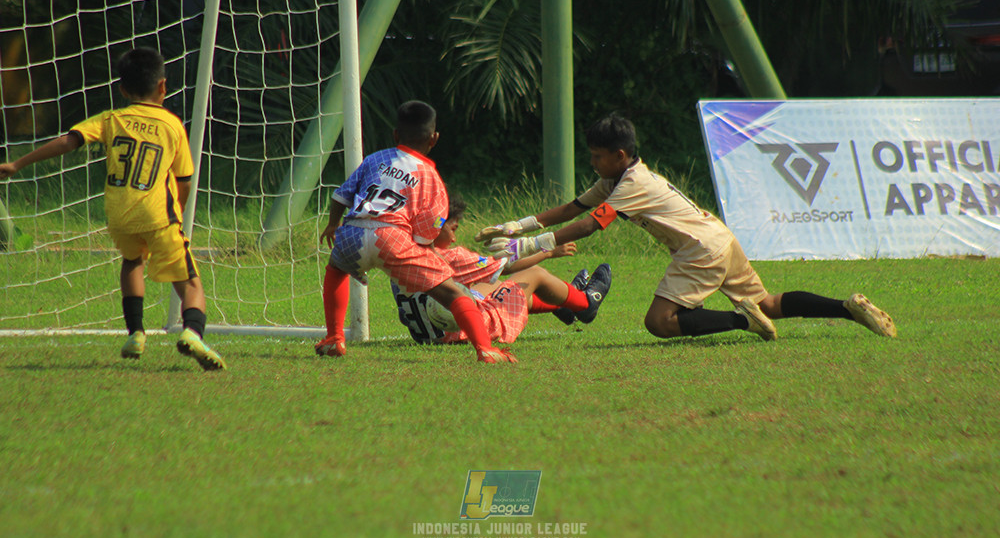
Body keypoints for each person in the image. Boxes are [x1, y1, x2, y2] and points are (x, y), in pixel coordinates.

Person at [475, 114, 896, 342]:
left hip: (700, 249)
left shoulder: (632, 185)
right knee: (767, 302)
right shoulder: (618, 177)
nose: (593, 162)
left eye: (597, 156)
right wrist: (515, 226)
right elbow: (572, 207)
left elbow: (589, 225)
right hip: (718, 236)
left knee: (659, 322)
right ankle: (847, 308)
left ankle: (741, 323)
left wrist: (527, 245)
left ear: (619, 155)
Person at [0, 47, 226, 370]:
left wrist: (18, 163)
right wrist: (179, 210)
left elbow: (69, 140)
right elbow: (185, 180)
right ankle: (193, 333)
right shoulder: (172, 124)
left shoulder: (111, 119)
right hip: (159, 214)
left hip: (119, 214)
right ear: (163, 87)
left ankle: (136, 333)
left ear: (122, 90)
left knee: (132, 260)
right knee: (190, 282)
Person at [315, 100, 516, 364]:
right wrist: (419, 248)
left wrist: (333, 224)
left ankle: (334, 338)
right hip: (392, 236)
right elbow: (430, 228)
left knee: (336, 270)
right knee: (452, 292)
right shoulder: (430, 177)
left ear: (396, 135)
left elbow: (342, 194)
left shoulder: (375, 159)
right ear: (434, 139)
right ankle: (485, 348)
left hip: (353, 231)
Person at [392, 194, 612, 345]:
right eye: (452, 229)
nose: (454, 237)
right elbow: (505, 266)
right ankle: (585, 304)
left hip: (427, 335)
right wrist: (548, 252)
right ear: (435, 225)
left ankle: (561, 304)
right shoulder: (452, 256)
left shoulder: (400, 256)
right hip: (466, 331)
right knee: (534, 274)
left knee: (492, 285)